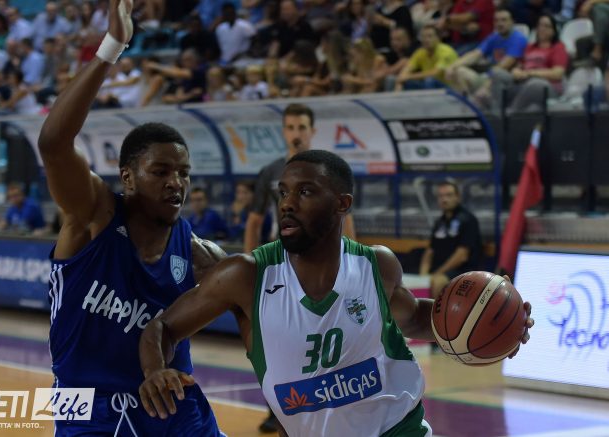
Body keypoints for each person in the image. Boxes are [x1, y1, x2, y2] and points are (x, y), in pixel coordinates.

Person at [138, 150, 534, 436]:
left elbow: (415, 317)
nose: (288, 204)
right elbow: (162, 328)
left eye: (306, 192)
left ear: (342, 204)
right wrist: (155, 371)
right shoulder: (245, 275)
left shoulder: (376, 266)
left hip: (399, 429)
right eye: (283, 192)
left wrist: (491, 324)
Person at [37, 0, 225, 434]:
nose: (176, 183)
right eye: (160, 172)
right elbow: (53, 143)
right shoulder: (93, 215)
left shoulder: (198, 254)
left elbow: (258, 295)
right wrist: (112, 46)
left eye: (183, 173)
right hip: (87, 406)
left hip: (171, 405)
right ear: (128, 177)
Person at [243, 103, 356, 254]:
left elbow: (345, 219)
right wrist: (250, 261)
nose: (296, 134)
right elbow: (254, 221)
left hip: (323, 255)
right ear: (284, 132)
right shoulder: (270, 171)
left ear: (312, 131)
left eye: (302, 128)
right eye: (290, 128)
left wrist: (351, 259)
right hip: (284, 253)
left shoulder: (330, 170)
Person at [419, 180, 482, 303]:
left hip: (463, 272)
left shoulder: (468, 220)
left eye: (449, 195)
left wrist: (437, 273)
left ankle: (435, 315)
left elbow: (461, 256)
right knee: (412, 280)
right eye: (441, 196)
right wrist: (423, 274)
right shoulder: (439, 222)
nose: (444, 199)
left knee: (438, 281)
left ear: (458, 197)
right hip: (439, 271)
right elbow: (430, 251)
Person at [395, 24, 458, 91]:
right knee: (401, 81)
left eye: (429, 36)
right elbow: (405, 71)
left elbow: (435, 73)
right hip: (429, 85)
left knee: (429, 80)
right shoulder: (420, 52)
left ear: (438, 38)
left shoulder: (446, 51)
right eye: (423, 36)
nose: (426, 40)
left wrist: (409, 76)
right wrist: (400, 81)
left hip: (451, 88)